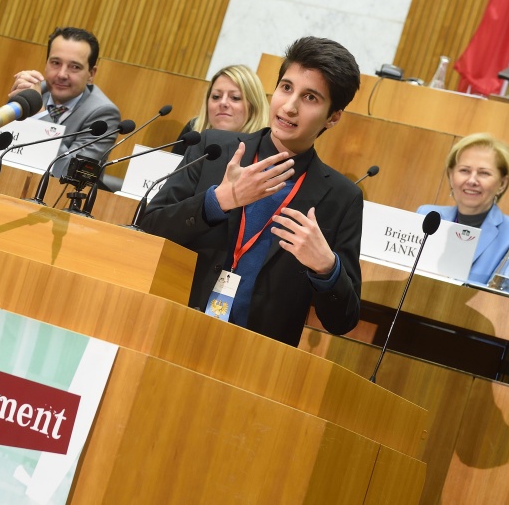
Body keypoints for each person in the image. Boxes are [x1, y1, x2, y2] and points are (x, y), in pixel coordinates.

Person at [141, 36, 363, 347]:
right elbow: (147, 227)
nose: (289, 106)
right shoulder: (214, 149)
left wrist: (327, 267)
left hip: (256, 359)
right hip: (170, 325)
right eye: (286, 88)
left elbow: (343, 320)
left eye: (310, 97)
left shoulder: (342, 198)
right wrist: (219, 200)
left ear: (333, 116)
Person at [9, 27, 121, 176]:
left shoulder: (104, 114)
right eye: (55, 63)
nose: (62, 74)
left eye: (74, 67)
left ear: (91, 74)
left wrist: (39, 114)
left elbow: (70, 174)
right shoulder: (33, 91)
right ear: (46, 63)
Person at [417, 133, 509, 286]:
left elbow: (507, 299)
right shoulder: (427, 215)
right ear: (451, 176)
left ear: (502, 184)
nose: (472, 180)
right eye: (464, 170)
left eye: (484, 173)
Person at [172, 65, 269, 155]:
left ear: (253, 106)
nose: (223, 103)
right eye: (216, 96)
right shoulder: (193, 131)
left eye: (235, 97)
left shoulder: (264, 147)